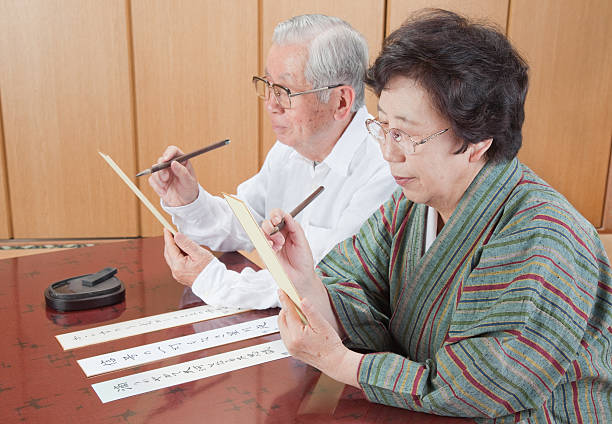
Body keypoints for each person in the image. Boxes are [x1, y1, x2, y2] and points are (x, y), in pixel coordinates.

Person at [263, 9, 612, 422]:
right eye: (384, 127)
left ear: (477, 141)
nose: (389, 152)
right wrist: (304, 277)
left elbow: (480, 387)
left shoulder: (545, 236)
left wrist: (341, 363)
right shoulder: (410, 206)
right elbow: (351, 284)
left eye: (407, 135)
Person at [150, 14, 396, 309]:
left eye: (285, 92)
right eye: (267, 85)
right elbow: (245, 224)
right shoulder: (289, 149)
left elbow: (319, 281)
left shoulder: (385, 168)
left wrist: (212, 280)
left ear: (340, 101)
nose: (270, 104)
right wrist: (189, 199)